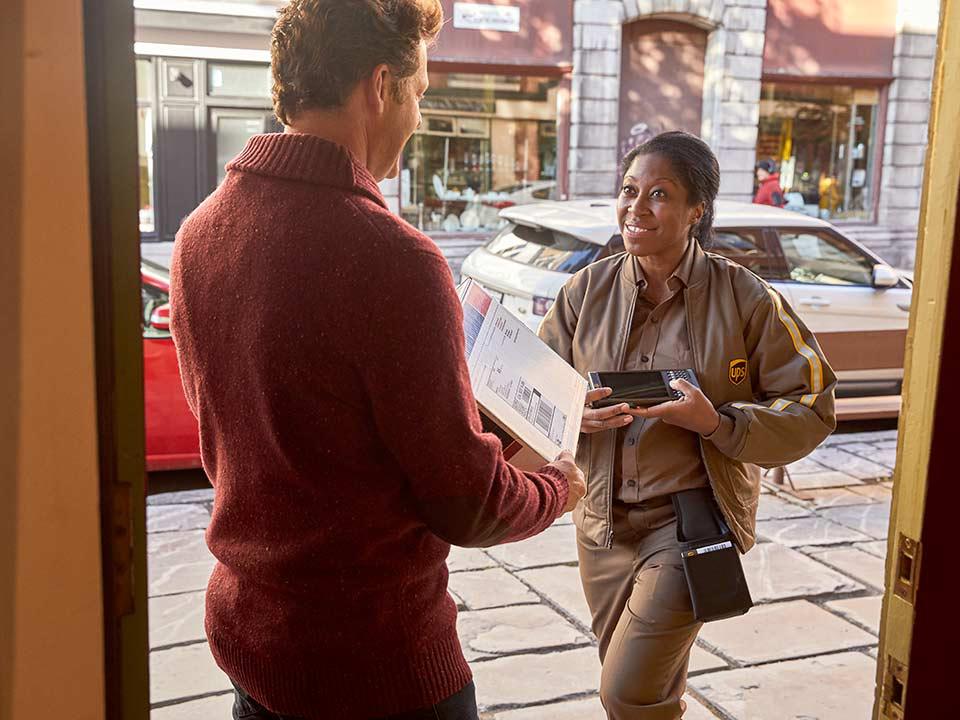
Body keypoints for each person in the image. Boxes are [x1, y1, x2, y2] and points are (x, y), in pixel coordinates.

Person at [168, 1, 586, 718]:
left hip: (253, 641)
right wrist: (557, 486)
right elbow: (470, 505)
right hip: (376, 665)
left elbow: (291, 434)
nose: (419, 118)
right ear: (380, 85)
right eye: (421, 93)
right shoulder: (393, 259)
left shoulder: (198, 235)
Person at [538, 131, 836, 719]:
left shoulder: (745, 296)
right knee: (647, 695)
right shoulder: (583, 291)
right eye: (629, 190)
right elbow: (537, 397)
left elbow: (814, 402)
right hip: (600, 525)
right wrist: (576, 415)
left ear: (697, 210)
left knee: (625, 691)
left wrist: (717, 421)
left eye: (659, 194)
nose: (636, 207)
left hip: (691, 526)